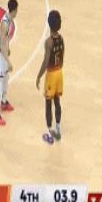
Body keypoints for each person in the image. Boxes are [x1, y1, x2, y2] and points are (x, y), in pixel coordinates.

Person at [36, 10, 64, 145]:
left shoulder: (48, 42)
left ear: (49, 24)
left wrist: (39, 76)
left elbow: (46, 61)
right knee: (57, 101)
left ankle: (49, 133)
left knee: (48, 104)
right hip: (60, 72)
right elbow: (63, 57)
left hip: (51, 74)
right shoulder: (61, 38)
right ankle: (58, 129)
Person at [0, 0, 18, 125]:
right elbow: (2, 44)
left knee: (6, 78)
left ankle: (4, 101)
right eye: (17, 10)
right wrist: (8, 62)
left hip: (3, 52)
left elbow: (6, 41)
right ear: (13, 10)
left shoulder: (10, 20)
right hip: (0, 55)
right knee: (0, 83)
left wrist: (8, 49)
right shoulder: (5, 24)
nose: (17, 12)